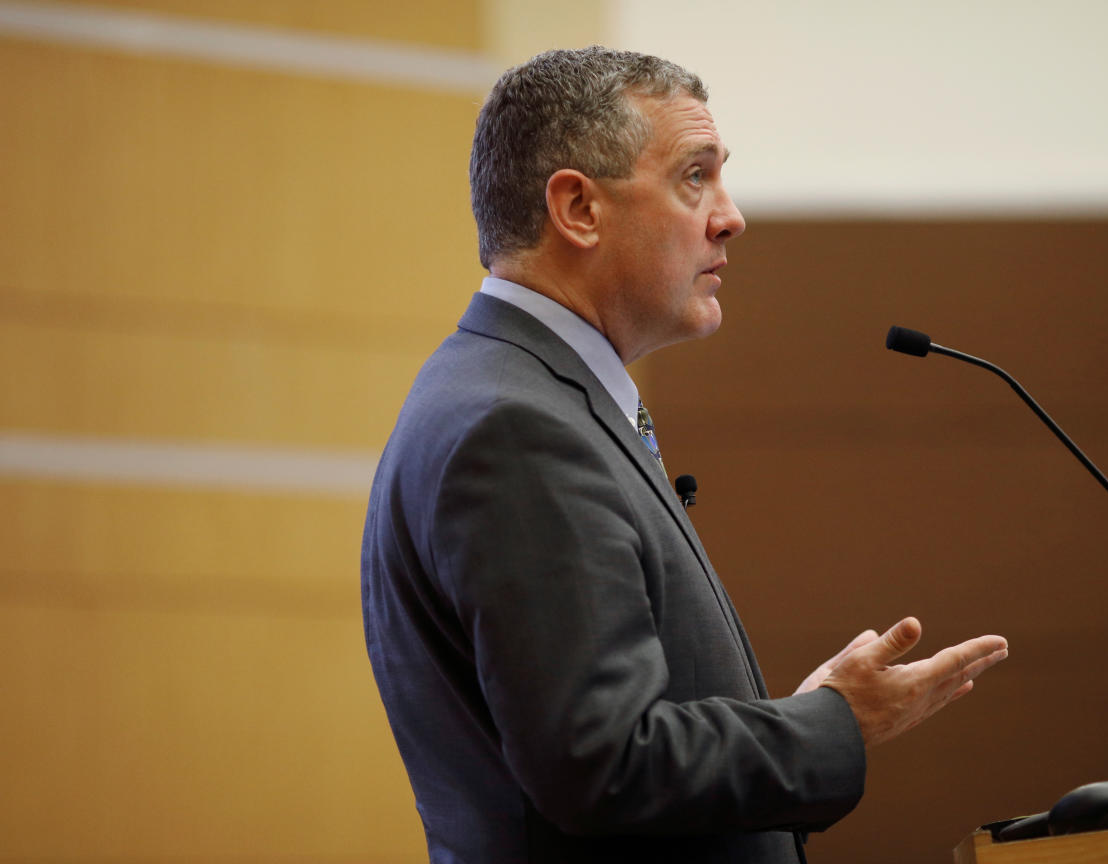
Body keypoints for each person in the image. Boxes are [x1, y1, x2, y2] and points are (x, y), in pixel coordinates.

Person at [361, 46, 1008, 864]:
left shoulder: (522, 395)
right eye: (693, 176)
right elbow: (601, 767)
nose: (729, 215)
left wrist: (796, 722)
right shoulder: (517, 427)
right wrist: (830, 723)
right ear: (578, 209)